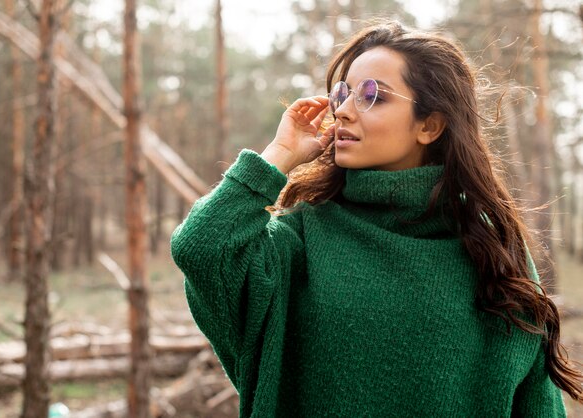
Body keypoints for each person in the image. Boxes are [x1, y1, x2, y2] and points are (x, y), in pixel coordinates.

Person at [171, 19, 582, 417]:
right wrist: (279, 155)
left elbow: (536, 404)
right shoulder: (299, 240)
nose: (345, 111)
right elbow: (201, 245)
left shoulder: (493, 251)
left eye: (372, 96)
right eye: (343, 94)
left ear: (430, 125)